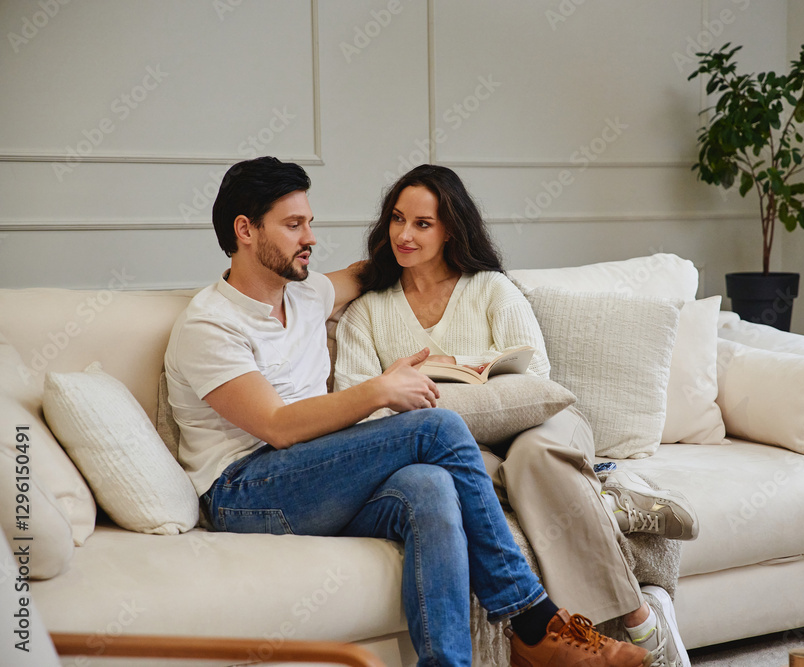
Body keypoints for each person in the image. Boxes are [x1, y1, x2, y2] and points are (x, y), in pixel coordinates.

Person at [164, 156, 654, 667]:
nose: (310, 236)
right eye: (293, 225)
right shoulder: (209, 324)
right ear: (245, 230)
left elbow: (372, 268)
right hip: (245, 491)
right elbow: (278, 427)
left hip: (318, 476)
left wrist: (423, 247)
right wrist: (380, 390)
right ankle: (532, 620)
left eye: (309, 221)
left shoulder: (307, 295)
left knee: (430, 486)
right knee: (437, 426)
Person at [334, 164, 695, 667]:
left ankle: (639, 622)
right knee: (451, 473)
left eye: (422, 223)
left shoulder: (490, 289)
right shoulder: (367, 310)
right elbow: (355, 409)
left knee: (536, 459)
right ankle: (600, 502)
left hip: (536, 424)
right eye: (397, 219)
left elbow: (538, 377)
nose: (404, 234)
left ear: (451, 229)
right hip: (458, 443)